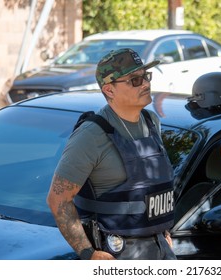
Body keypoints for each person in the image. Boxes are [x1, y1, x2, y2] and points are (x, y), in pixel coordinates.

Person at [47, 48, 176, 260]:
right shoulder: (91, 135)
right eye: (134, 80)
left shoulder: (152, 122)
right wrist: (88, 253)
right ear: (109, 90)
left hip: (159, 249)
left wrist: (162, 234)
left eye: (146, 76)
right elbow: (57, 200)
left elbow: (154, 188)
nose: (145, 83)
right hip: (118, 254)